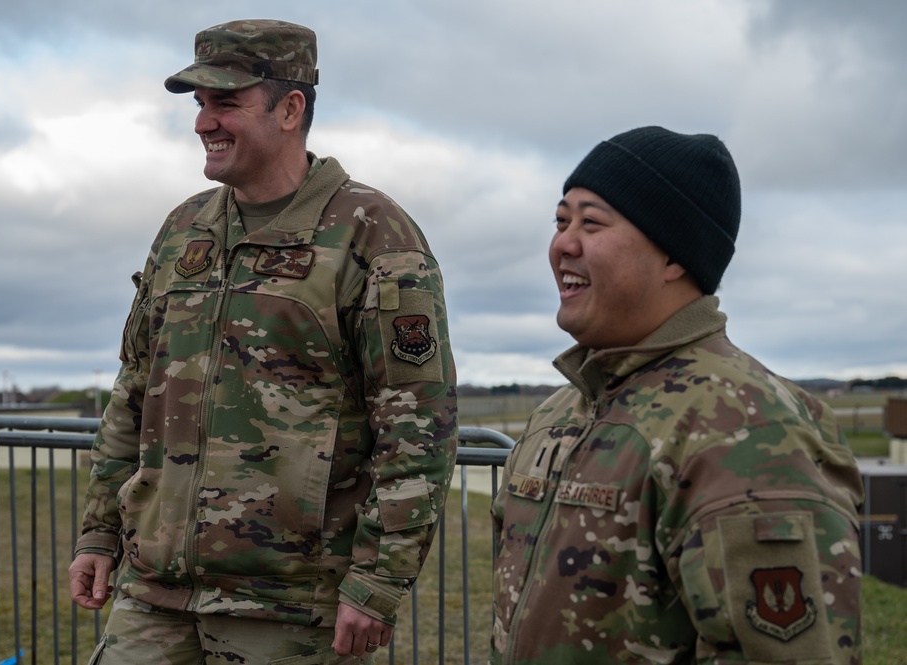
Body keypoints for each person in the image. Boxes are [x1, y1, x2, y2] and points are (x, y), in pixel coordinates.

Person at [68, 19, 457, 664]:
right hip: (154, 590)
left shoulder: (371, 233)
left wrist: (379, 580)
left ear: (290, 108)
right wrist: (99, 533)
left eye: (226, 103)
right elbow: (134, 391)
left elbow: (417, 426)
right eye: (199, 104)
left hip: (289, 604)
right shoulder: (183, 230)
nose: (202, 123)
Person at [489, 126, 864, 664]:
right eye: (560, 220)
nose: (562, 244)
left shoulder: (749, 430)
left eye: (591, 223)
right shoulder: (558, 413)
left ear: (675, 258)